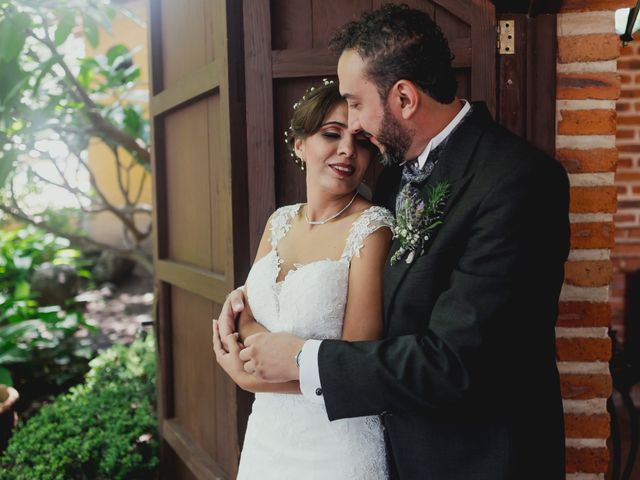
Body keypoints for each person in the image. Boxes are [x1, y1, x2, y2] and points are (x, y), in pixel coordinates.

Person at [218, 4, 570, 479]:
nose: (355, 128)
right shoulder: (394, 178)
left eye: (357, 103)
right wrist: (250, 308)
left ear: (403, 98)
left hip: (473, 460)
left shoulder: (517, 181)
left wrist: (301, 360)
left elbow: (455, 362)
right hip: (392, 450)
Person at [212, 79, 394, 479]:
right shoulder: (279, 221)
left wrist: (250, 378)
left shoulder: (372, 229)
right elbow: (244, 312)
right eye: (332, 134)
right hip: (266, 438)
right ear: (300, 145)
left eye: (361, 140)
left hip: (337, 445)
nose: (347, 149)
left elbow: (357, 363)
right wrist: (245, 338)